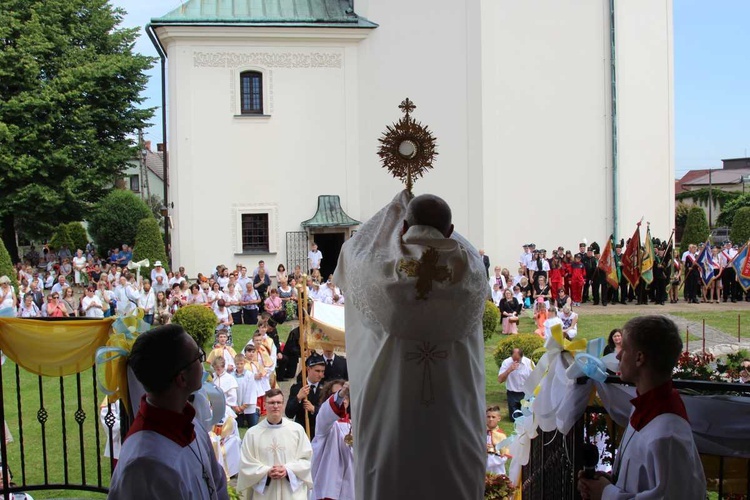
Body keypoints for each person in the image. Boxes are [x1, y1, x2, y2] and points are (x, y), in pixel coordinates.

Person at [336, 191, 488, 499]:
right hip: (453, 425)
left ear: (403, 229)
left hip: (392, 429)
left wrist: (394, 210)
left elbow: (353, 251)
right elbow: (464, 245)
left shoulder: (381, 276)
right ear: (450, 230)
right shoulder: (470, 271)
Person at [577, 316, 706, 499]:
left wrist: (607, 493)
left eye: (624, 349)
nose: (618, 355)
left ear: (639, 358)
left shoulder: (668, 434)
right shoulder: (645, 406)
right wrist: (608, 483)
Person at [108, 324, 228, 499]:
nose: (204, 364)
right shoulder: (145, 465)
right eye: (198, 357)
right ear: (182, 378)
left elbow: (216, 481)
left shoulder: (190, 422)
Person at [236, 388, 313, 499]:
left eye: (279, 402)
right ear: (265, 405)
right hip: (265, 493)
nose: (275, 406)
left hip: (290, 493)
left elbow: (307, 460)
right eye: (271, 403)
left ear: (283, 404)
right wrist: (266, 472)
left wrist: (288, 470)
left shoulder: (296, 430)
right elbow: (246, 464)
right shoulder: (252, 434)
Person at [311, 380, 354, 500]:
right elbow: (326, 413)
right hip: (329, 490)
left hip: (352, 489)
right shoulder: (324, 425)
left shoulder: (356, 426)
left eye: (347, 395)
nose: (343, 398)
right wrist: (341, 393)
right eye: (337, 394)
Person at [285, 355, 325, 439]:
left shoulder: (326, 389)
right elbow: (289, 413)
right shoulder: (297, 388)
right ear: (308, 369)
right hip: (301, 433)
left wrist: (314, 409)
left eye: (322, 371)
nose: (321, 375)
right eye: (317, 371)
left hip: (319, 433)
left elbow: (328, 414)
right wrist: (298, 398)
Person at [497, 348, 532, 422]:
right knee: (514, 419)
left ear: (522, 357)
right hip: (512, 394)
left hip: (525, 393)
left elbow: (535, 379)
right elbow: (500, 380)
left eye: (518, 359)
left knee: (526, 418)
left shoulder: (528, 363)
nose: (515, 361)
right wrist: (509, 370)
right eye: (514, 359)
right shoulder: (506, 362)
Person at [485, 405, 510, 475]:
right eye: (488, 417)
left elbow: (504, 457)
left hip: (497, 472)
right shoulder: (480, 434)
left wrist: (491, 452)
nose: (490, 419)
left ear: (499, 418)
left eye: (493, 417)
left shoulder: (501, 436)